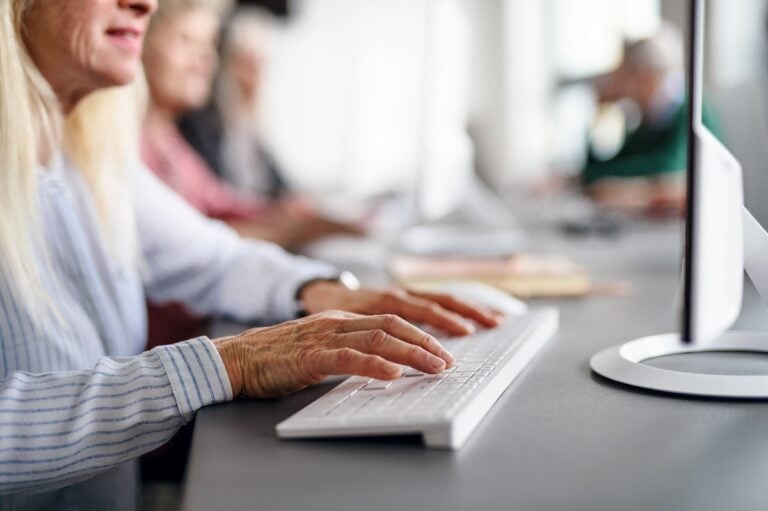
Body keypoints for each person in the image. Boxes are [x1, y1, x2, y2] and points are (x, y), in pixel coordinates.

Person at [0, 0, 501, 507]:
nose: (144, 3)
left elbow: (214, 258)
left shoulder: (88, 154)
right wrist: (231, 364)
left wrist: (324, 293)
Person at [141, 0, 357, 250]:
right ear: (141, 45)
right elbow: (185, 242)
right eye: (184, 40)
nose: (204, 57)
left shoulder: (171, 142)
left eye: (208, 44)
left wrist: (290, 215)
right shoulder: (133, 145)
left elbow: (223, 204)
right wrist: (299, 230)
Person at [581, 23, 719, 215]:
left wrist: (610, 182)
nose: (618, 82)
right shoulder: (648, 115)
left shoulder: (690, 108)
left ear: (646, 76)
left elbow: (668, 168)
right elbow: (598, 169)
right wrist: (599, 113)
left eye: (624, 74)